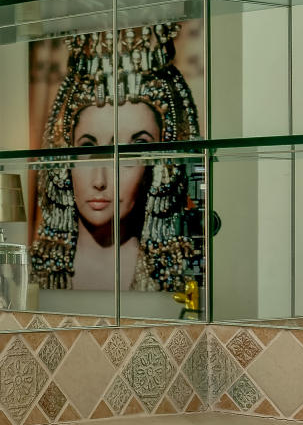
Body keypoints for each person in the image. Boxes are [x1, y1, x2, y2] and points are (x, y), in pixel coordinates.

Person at [30, 33, 206, 301]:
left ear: (159, 169)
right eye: (88, 150)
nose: (100, 180)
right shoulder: (34, 272)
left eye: (128, 154)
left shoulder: (184, 274)